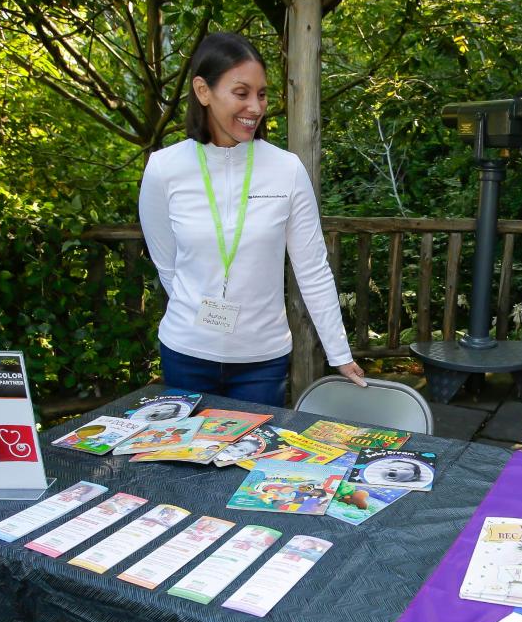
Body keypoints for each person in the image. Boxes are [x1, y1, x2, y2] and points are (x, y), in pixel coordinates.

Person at [138, 32, 365, 407]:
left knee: (251, 460)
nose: (255, 107)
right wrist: (198, 314)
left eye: (261, 94)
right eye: (241, 93)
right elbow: (167, 263)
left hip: (262, 361)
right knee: (182, 462)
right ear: (203, 91)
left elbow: (312, 268)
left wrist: (339, 353)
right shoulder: (164, 168)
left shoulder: (286, 169)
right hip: (186, 354)